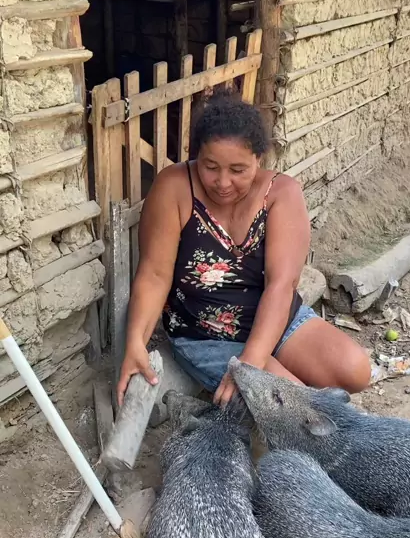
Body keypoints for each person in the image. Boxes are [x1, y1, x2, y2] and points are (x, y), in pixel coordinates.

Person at [117, 94, 371, 407]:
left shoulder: (281, 193)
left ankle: (275, 369)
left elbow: (281, 286)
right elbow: (155, 274)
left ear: (258, 159)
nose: (223, 182)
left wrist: (252, 360)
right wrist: (135, 343)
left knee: (355, 370)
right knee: (298, 406)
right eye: (210, 167)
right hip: (205, 334)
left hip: (275, 320)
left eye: (238, 170)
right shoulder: (175, 187)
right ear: (196, 156)